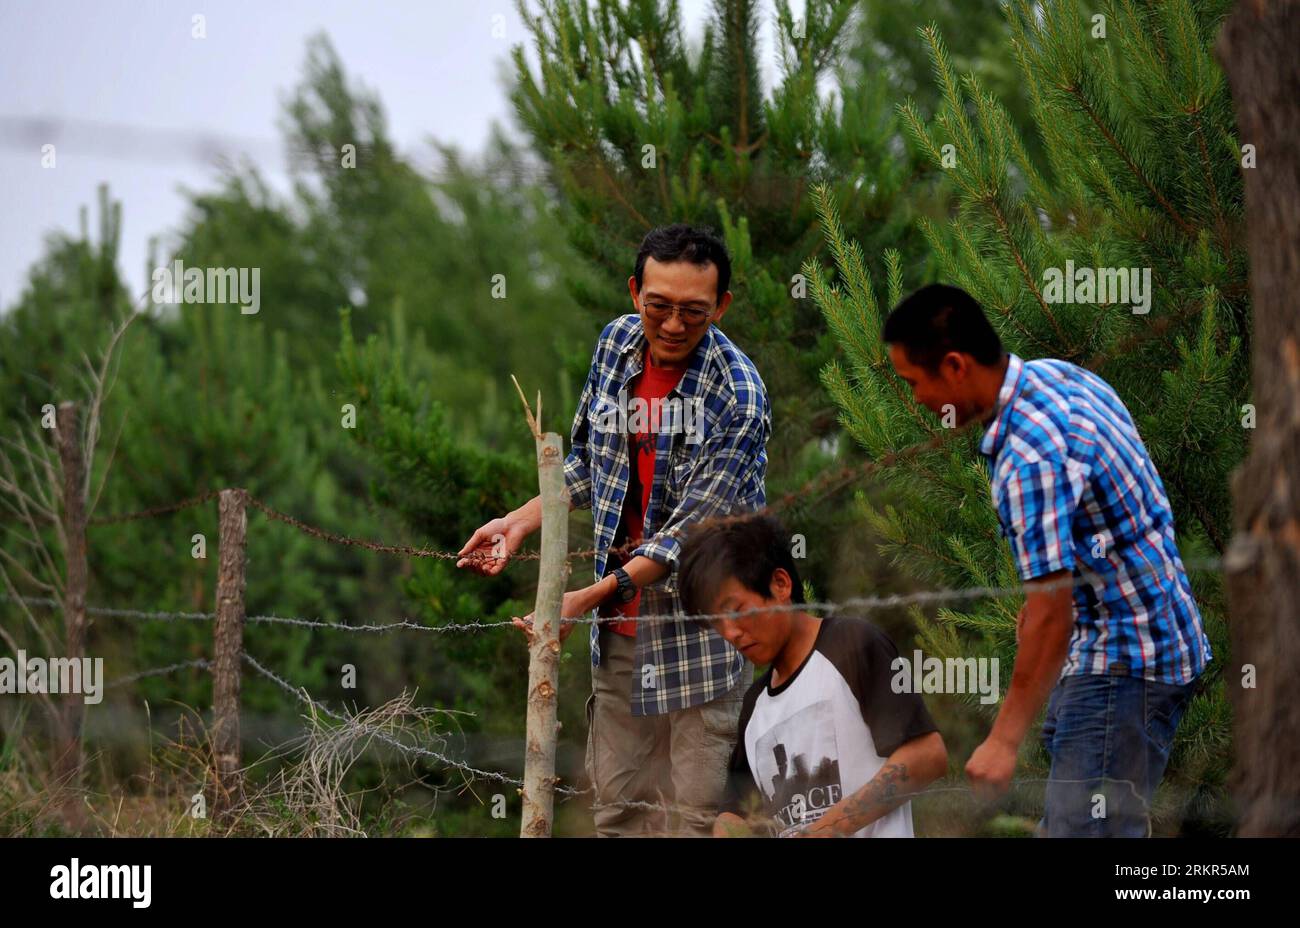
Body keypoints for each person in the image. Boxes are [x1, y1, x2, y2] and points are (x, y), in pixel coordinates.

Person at [457, 224, 771, 836]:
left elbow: (688, 534)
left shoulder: (739, 396)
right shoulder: (616, 347)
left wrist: (584, 598)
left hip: (704, 642)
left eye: (693, 312)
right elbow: (589, 465)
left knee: (698, 822)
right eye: (659, 306)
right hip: (621, 642)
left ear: (722, 307)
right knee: (618, 818)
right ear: (635, 292)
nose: (673, 325)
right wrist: (517, 521)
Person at [883, 282, 1212, 837]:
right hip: (1140, 640)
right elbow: (1118, 520)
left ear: (956, 366)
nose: (914, 399)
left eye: (914, 382)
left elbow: (1051, 618)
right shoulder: (1054, 376)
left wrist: (1004, 740)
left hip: (1125, 662)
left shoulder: (1026, 456)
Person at [678, 512, 947, 837]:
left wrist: (827, 830)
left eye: (737, 611)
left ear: (780, 584)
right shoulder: (755, 705)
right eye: (716, 623)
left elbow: (927, 756)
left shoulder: (852, 646)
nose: (731, 632)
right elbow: (734, 812)